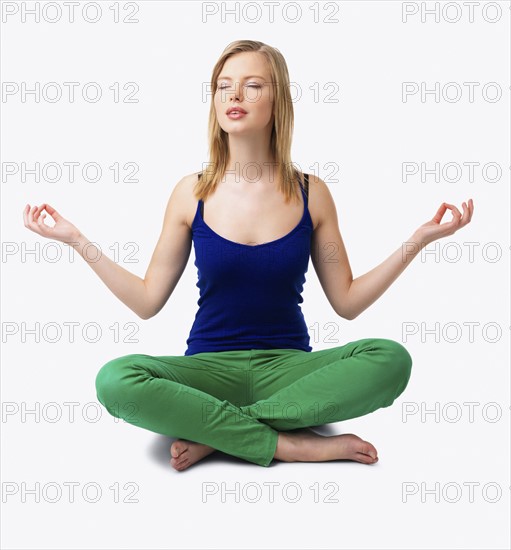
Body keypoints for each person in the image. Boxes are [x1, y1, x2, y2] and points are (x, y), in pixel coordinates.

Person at [23, 40, 474, 471]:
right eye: (223, 86)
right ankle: (285, 442)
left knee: (390, 360)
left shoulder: (312, 193)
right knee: (115, 380)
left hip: (290, 368)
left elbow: (348, 302)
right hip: (207, 368)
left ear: (278, 101)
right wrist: (76, 239)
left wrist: (420, 239)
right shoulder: (190, 193)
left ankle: (218, 433)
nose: (234, 95)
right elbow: (146, 301)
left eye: (253, 85)